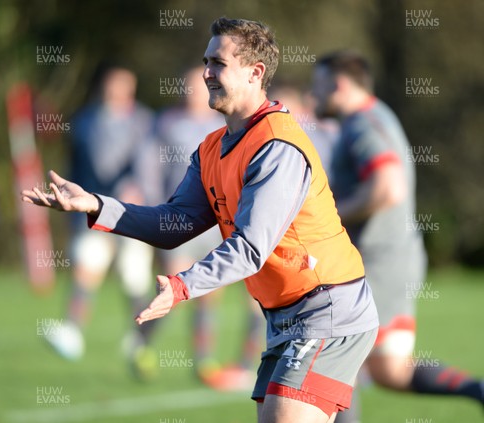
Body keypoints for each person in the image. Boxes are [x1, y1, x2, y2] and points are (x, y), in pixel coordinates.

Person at [23, 18, 379, 423]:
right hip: (286, 316)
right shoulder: (212, 147)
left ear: (255, 72)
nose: (207, 72)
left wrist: (179, 287)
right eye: (206, 61)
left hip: (327, 308)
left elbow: (249, 249)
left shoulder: (277, 146)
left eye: (218, 63)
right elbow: (173, 223)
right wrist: (96, 206)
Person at [311, 50, 484, 423]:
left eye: (319, 87)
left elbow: (388, 187)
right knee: (391, 371)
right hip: (392, 260)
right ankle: (479, 391)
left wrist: (330, 217)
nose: (314, 96)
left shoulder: (363, 125)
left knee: (337, 359)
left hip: (376, 263)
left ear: (339, 85)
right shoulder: (372, 119)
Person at [43, 63, 159, 379]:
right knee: (86, 265)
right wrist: (73, 206)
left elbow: (148, 165)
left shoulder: (145, 122)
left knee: (133, 279)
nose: (116, 93)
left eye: (123, 87)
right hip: (92, 208)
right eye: (111, 86)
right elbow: (75, 167)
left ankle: (140, 341)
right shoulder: (84, 121)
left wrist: (139, 189)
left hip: (132, 213)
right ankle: (72, 331)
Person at [155, 65, 264, 390]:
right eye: (191, 85)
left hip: (215, 223)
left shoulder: (225, 128)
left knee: (212, 294)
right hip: (176, 219)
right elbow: (150, 165)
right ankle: (141, 343)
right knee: (171, 290)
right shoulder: (167, 124)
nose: (198, 90)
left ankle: (213, 362)